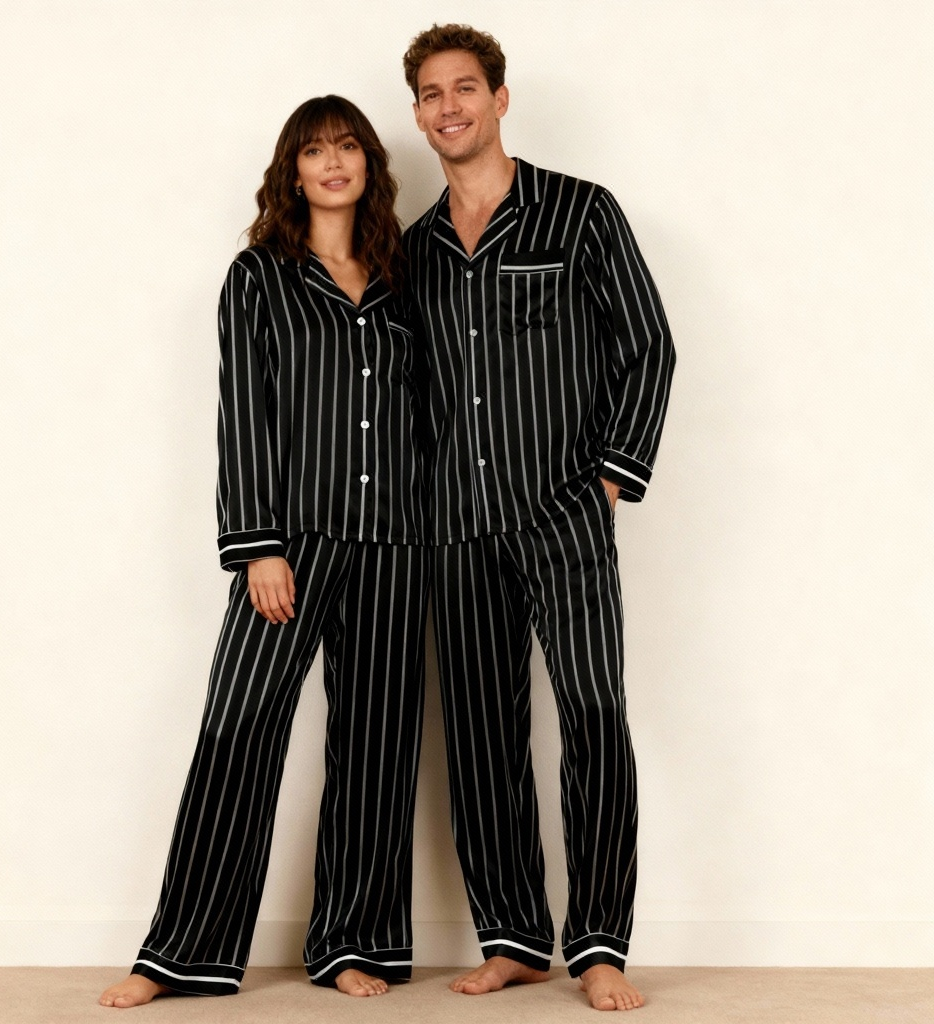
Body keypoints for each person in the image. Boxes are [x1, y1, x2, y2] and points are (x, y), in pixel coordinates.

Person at [99, 95, 429, 1008]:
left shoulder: (404, 277)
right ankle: (181, 954)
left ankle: (353, 942)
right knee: (239, 728)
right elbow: (243, 414)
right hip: (291, 542)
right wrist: (257, 547)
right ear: (293, 170)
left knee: (377, 747)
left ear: (369, 164)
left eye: (348, 147)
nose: (334, 162)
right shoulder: (259, 277)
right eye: (315, 151)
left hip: (397, 543)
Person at [401, 24, 675, 1012]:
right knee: (481, 738)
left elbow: (647, 345)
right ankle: (514, 938)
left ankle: (598, 944)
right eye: (431, 94)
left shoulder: (580, 211)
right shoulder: (414, 251)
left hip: (566, 519)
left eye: (465, 87)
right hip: (456, 528)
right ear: (418, 113)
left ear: (500, 98)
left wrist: (607, 480)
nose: (449, 107)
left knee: (593, 715)